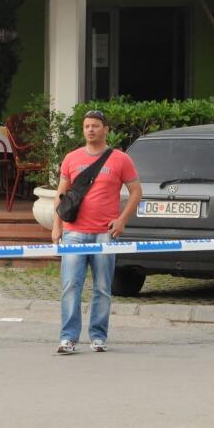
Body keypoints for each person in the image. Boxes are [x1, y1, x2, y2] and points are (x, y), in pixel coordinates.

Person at [52, 109, 142, 355]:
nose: (90, 130)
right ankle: (68, 338)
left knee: (103, 287)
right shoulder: (71, 158)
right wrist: (56, 226)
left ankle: (98, 336)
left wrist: (122, 220)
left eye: (95, 126)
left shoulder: (120, 159)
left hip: (105, 234)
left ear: (106, 129)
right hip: (74, 232)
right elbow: (60, 196)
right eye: (86, 126)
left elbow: (136, 192)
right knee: (71, 285)